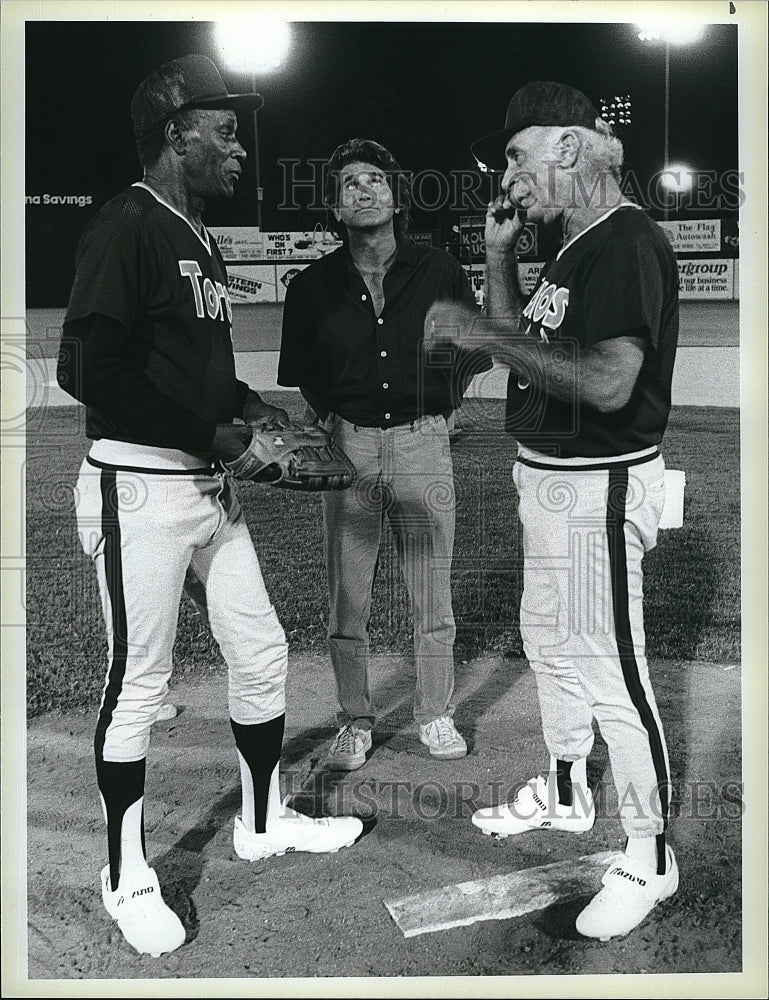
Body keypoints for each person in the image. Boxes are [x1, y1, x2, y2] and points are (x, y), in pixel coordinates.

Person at [56, 54, 362, 959]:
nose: (239, 147)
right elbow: (88, 366)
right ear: (175, 133)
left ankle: (261, 820)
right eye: (224, 129)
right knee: (136, 686)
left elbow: (196, 370)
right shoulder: (128, 224)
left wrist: (251, 409)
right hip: (138, 486)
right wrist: (216, 432)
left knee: (261, 650)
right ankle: (126, 875)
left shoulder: (195, 234)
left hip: (204, 487)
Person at [426, 81, 679, 941]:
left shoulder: (624, 240)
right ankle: (569, 796)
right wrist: (500, 261)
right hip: (549, 485)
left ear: (568, 148)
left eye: (514, 155)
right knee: (550, 646)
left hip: (598, 489)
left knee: (613, 673)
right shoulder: (571, 247)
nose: (506, 175)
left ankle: (648, 857)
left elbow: (607, 383)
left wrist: (479, 333)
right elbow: (526, 354)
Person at [278, 138, 488, 769]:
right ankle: (355, 718)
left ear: (396, 198)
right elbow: (304, 373)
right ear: (335, 210)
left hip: (424, 441)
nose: (364, 190)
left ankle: (436, 713)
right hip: (350, 446)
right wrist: (335, 422)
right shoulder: (312, 285)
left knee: (432, 591)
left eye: (375, 179)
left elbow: (468, 347)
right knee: (350, 597)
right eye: (349, 184)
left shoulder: (439, 269)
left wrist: (444, 413)